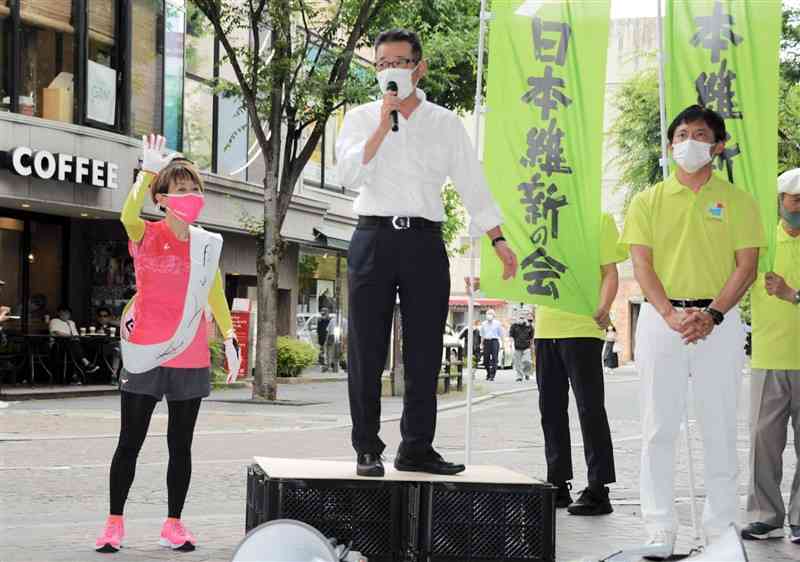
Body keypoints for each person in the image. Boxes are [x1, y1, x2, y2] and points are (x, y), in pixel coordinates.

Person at [336, 29, 518, 478]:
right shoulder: (360, 118)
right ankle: (366, 448)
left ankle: (417, 447)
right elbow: (347, 175)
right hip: (373, 237)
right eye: (380, 65)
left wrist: (497, 238)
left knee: (423, 350)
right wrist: (383, 123)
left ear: (419, 68)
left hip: (423, 240)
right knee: (366, 348)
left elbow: (471, 183)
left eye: (398, 62)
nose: (389, 71)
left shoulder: (444, 123)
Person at [621, 105, 765, 557]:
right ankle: (660, 528)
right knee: (658, 427)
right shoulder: (648, 201)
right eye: (681, 134)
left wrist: (714, 315)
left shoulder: (739, 201)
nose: (689, 142)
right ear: (669, 145)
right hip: (662, 324)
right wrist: (668, 314)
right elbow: (641, 264)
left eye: (700, 135)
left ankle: (721, 528)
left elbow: (747, 266)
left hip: (718, 326)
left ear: (718, 146)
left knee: (719, 426)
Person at [95, 135, 240, 554]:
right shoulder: (145, 234)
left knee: (181, 444)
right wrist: (145, 173)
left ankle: (174, 524)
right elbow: (126, 215)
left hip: (189, 354)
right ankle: (114, 523)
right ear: (162, 199)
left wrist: (229, 336)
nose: (190, 196)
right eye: (179, 190)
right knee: (130, 441)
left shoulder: (207, 244)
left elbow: (214, 294)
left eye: (194, 189)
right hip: (145, 351)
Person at [534, 213, 627, 516]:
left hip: (583, 327)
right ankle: (558, 483)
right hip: (546, 327)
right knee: (550, 409)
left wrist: (604, 306)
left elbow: (610, 272)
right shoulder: (542, 219)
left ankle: (599, 489)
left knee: (589, 409)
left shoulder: (598, 219)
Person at [741, 168, 800, 545]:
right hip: (768, 356)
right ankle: (766, 516)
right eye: (795, 200)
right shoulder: (760, 244)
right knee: (764, 442)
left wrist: (792, 294)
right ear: (779, 202)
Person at [49, 305, 100, 380]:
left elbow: (76, 334)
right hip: (59, 345)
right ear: (58, 313)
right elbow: (57, 332)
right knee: (74, 345)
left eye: (67, 313)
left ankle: (82, 370)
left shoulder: (71, 322)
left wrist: (75, 337)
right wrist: (71, 336)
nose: (65, 315)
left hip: (72, 344)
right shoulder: (54, 321)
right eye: (62, 313)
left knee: (84, 344)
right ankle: (86, 364)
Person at [96, 307, 122, 384]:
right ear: (97, 317)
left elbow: (120, 335)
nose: (102, 318)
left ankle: (114, 375)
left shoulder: (114, 327)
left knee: (117, 350)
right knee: (118, 349)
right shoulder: (93, 326)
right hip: (100, 348)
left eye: (105, 316)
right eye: (100, 316)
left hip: (114, 348)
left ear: (109, 317)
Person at [480, 310, 504, 381]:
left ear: (494, 315)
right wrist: (481, 344)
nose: (489, 315)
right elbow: (482, 335)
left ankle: (492, 375)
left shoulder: (497, 323)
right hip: (486, 342)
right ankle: (488, 373)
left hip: (494, 341)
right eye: (488, 314)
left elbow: (501, 334)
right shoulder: (483, 324)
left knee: (494, 359)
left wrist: (503, 343)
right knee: (486, 359)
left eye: (490, 314)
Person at [508, 313, 533, 382]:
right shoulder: (514, 326)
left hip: (527, 347)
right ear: (517, 318)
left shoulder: (529, 326)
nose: (521, 319)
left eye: (522, 318)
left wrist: (532, 346)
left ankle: (527, 373)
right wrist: (510, 344)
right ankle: (519, 376)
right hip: (517, 347)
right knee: (517, 363)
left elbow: (532, 337)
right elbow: (511, 336)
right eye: (520, 318)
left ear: (525, 318)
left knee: (527, 361)